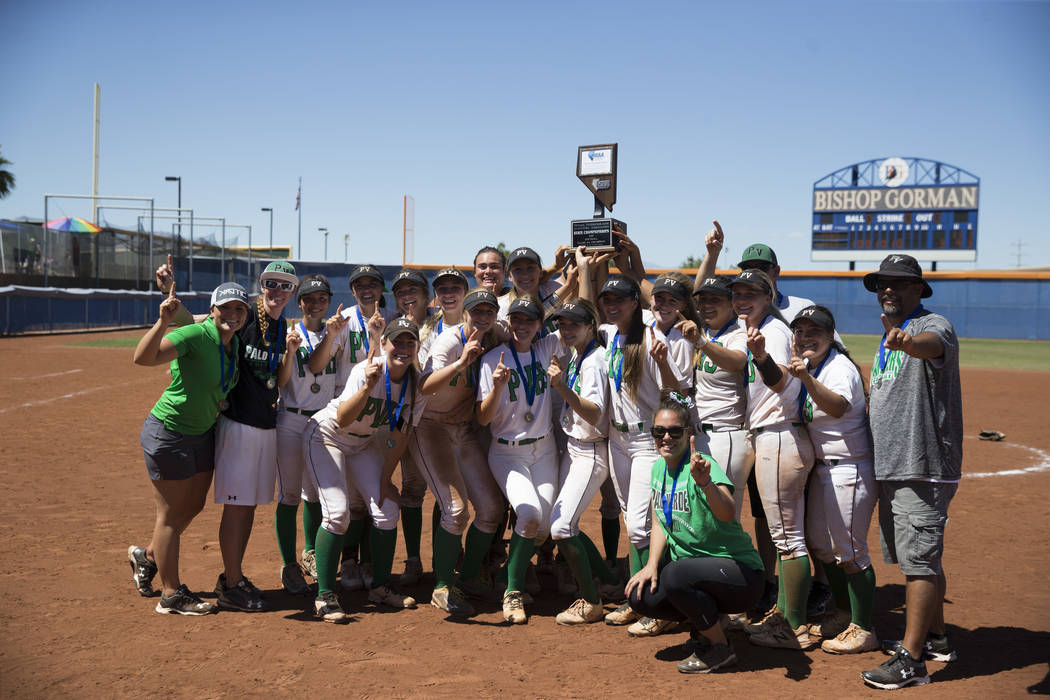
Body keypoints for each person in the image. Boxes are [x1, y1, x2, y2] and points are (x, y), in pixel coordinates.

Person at [156, 259, 300, 613]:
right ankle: (231, 583)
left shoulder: (282, 327)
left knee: (248, 506)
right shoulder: (245, 314)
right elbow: (202, 326)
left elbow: (277, 380)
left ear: (292, 292)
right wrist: (169, 299)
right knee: (237, 508)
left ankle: (153, 558)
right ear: (261, 285)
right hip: (238, 425)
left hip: (264, 423)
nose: (277, 291)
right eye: (271, 284)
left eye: (285, 286)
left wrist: (292, 354)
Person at [860, 254, 962, 690]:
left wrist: (906, 343)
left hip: (922, 465)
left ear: (919, 289)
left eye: (900, 284)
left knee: (918, 561)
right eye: (883, 283)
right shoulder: (887, 337)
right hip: (894, 466)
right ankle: (935, 637)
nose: (889, 290)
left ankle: (912, 660)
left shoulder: (928, 326)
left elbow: (932, 345)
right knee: (917, 558)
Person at [127, 281, 249, 615]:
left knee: (192, 505)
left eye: (239, 308)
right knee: (169, 515)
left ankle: (149, 554)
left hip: (202, 432)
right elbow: (143, 357)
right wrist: (163, 322)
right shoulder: (195, 335)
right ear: (213, 310)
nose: (232, 314)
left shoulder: (232, 343)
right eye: (225, 308)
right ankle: (171, 595)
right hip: (169, 432)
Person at [625, 392, 765, 674]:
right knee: (641, 597)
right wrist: (650, 565)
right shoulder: (658, 469)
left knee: (675, 574)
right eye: (659, 431)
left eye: (675, 431)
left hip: (740, 574)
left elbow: (727, 514)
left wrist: (706, 484)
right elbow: (659, 521)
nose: (666, 437)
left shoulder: (704, 466)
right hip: (698, 575)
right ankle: (711, 622)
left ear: (688, 433)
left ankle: (719, 648)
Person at [303, 317, 427, 622]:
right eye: (396, 341)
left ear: (417, 347)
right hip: (326, 436)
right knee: (338, 513)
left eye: (410, 342)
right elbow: (343, 419)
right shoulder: (366, 370)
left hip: (362, 444)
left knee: (386, 508)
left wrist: (385, 481)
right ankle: (324, 595)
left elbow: (400, 436)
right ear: (384, 343)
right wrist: (369, 387)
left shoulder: (415, 385)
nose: (403, 348)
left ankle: (381, 587)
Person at [597, 274, 689, 636]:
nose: (612, 304)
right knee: (631, 524)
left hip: (646, 441)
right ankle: (637, 599)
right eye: (608, 298)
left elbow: (678, 396)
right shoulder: (609, 335)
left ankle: (662, 604)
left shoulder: (654, 338)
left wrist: (663, 362)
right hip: (617, 439)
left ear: (636, 302)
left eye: (620, 298)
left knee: (641, 525)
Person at [732, 269, 817, 650]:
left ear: (768, 296)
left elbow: (781, 381)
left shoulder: (776, 333)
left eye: (752, 292)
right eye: (737, 292)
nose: (742, 299)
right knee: (785, 536)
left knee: (788, 539)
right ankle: (784, 614)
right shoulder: (761, 328)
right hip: (774, 436)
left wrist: (762, 356)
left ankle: (794, 625)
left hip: (780, 435)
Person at [786, 305, 878, 654]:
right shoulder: (815, 365)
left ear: (830, 335)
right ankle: (844, 613)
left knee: (851, 552)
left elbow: (838, 406)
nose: (806, 337)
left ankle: (864, 628)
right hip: (825, 470)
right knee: (821, 546)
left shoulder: (839, 368)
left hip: (849, 469)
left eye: (815, 331)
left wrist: (806, 379)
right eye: (801, 331)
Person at [413, 287, 507, 616]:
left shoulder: (497, 333)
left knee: (492, 510)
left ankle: (467, 579)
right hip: (430, 427)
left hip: (464, 429)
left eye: (488, 312)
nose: (482, 317)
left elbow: (529, 327)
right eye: (475, 312)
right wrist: (461, 363)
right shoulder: (449, 342)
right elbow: (424, 386)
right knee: (454, 510)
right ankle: (441, 586)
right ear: (464, 313)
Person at [477, 297, 565, 624]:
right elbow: (483, 418)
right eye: (516, 319)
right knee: (528, 514)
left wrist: (582, 271)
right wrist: (497, 388)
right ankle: (512, 591)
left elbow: (578, 313)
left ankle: (508, 573)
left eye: (529, 320)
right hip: (507, 451)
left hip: (543, 450)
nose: (522, 325)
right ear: (508, 321)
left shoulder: (546, 349)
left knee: (543, 528)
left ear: (541, 325)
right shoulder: (492, 361)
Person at [273, 274, 339, 597]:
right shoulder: (289, 332)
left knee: (314, 493)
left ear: (328, 301)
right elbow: (283, 380)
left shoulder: (334, 333)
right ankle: (289, 565)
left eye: (321, 299)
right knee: (288, 494)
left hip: (322, 420)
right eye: (309, 299)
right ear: (300, 302)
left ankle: (310, 552)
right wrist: (288, 351)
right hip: (292, 418)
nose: (315, 304)